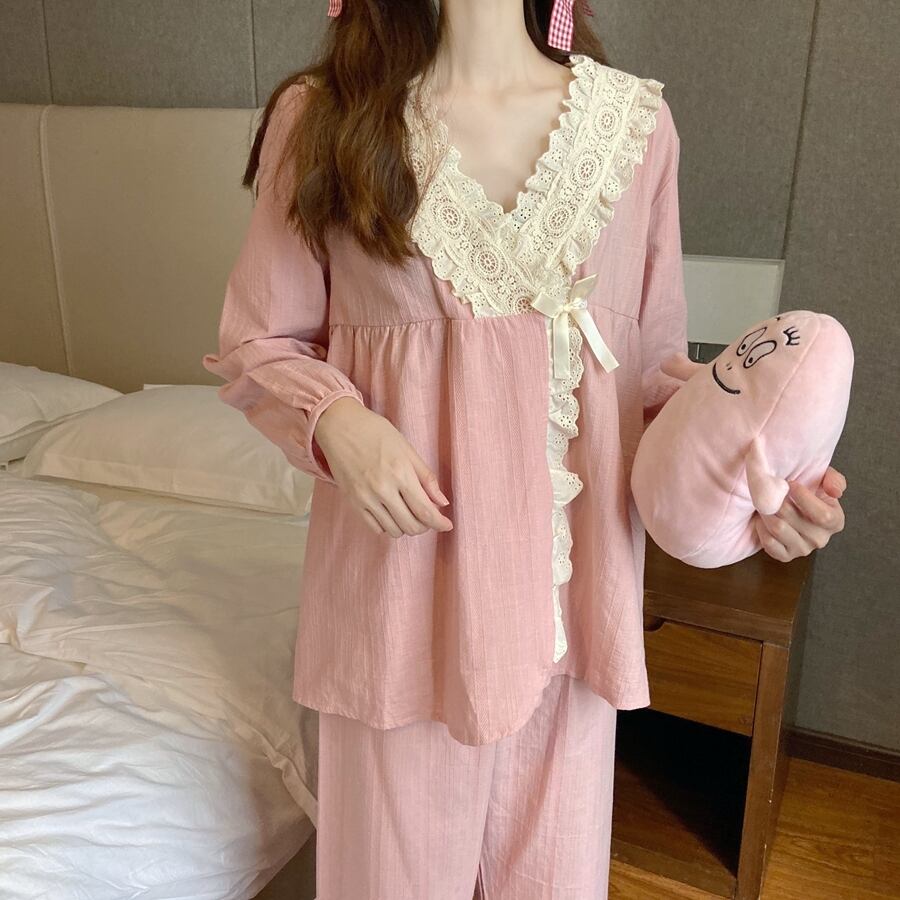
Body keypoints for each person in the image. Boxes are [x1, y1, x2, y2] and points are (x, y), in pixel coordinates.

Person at [202, 1, 847, 896]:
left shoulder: (635, 126)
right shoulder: (325, 116)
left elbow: (650, 375)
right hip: (401, 600)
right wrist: (338, 422)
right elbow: (259, 342)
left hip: (571, 607)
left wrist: (754, 484)